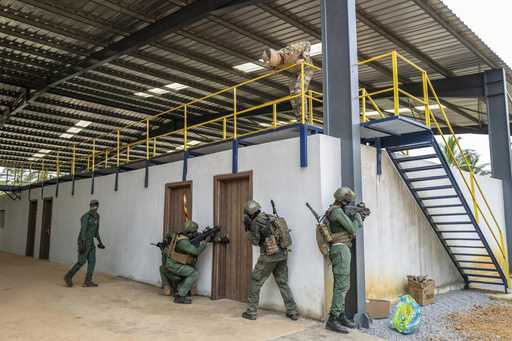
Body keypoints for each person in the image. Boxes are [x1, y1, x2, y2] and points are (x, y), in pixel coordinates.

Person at [241, 200, 298, 321]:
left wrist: (249, 229)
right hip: (282, 254)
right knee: (282, 282)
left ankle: (251, 311)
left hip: (269, 256)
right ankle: (292, 310)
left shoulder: (256, 222)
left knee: (256, 281)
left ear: (249, 213)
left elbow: (255, 242)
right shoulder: (270, 217)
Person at [325, 187, 366, 333]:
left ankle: (340, 315)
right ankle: (332, 319)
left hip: (341, 249)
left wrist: (356, 215)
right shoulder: (337, 211)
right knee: (342, 285)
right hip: (341, 249)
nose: (349, 204)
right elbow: (352, 229)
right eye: (348, 202)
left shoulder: (335, 210)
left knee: (343, 284)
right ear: (343, 200)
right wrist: (358, 218)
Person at [261, 41, 315, 120]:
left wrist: (304, 57)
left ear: (274, 57)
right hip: (295, 71)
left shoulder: (290, 50)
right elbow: (273, 66)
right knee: (293, 94)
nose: (273, 66)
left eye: (271, 64)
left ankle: (304, 117)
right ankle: (298, 117)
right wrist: (273, 69)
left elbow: (307, 43)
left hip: (306, 67)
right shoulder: (275, 64)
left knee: (299, 91)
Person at [164, 220, 208, 304]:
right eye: (194, 232)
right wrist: (205, 242)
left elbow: (169, 235)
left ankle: (180, 291)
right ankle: (180, 296)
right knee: (194, 274)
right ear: (190, 232)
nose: (196, 233)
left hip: (172, 263)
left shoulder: (179, 236)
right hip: (174, 265)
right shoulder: (183, 242)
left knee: (190, 269)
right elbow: (195, 252)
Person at [64, 199, 105, 287]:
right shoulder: (86, 216)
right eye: (92, 205)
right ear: (90, 206)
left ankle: (88, 281)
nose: (94, 207)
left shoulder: (97, 216)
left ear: (98, 206)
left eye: (95, 205)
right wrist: (82, 244)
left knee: (92, 261)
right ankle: (68, 276)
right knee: (81, 261)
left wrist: (100, 242)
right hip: (84, 241)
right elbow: (83, 231)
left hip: (91, 242)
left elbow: (96, 231)